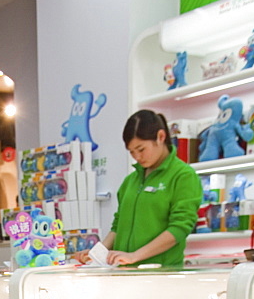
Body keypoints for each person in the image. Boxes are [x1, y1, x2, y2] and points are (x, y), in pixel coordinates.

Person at [77, 110, 202, 267]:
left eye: (141, 149)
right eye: (132, 152)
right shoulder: (130, 181)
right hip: (124, 273)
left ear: (161, 137)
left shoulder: (183, 176)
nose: (137, 156)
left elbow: (179, 229)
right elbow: (118, 226)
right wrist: (96, 253)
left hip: (161, 274)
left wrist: (135, 256)